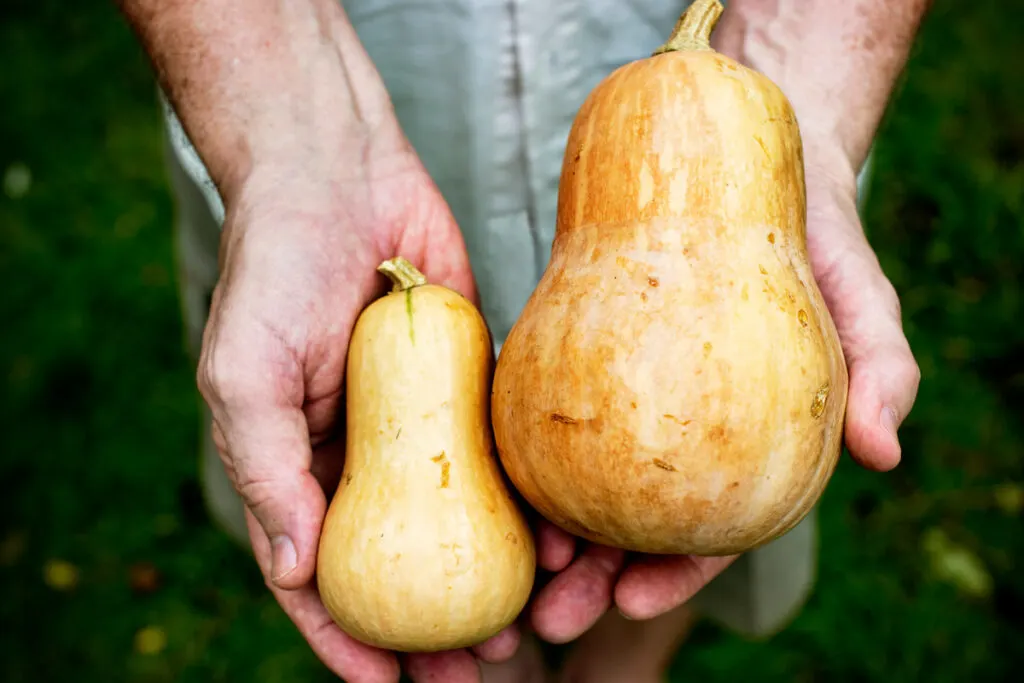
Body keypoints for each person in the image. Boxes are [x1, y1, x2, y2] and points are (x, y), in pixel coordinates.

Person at [116, 1, 927, 681]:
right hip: (327, 63)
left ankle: (619, 664)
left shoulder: (733, 109)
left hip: (755, 34)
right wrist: (287, 143)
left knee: (661, 575)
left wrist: (812, 71)